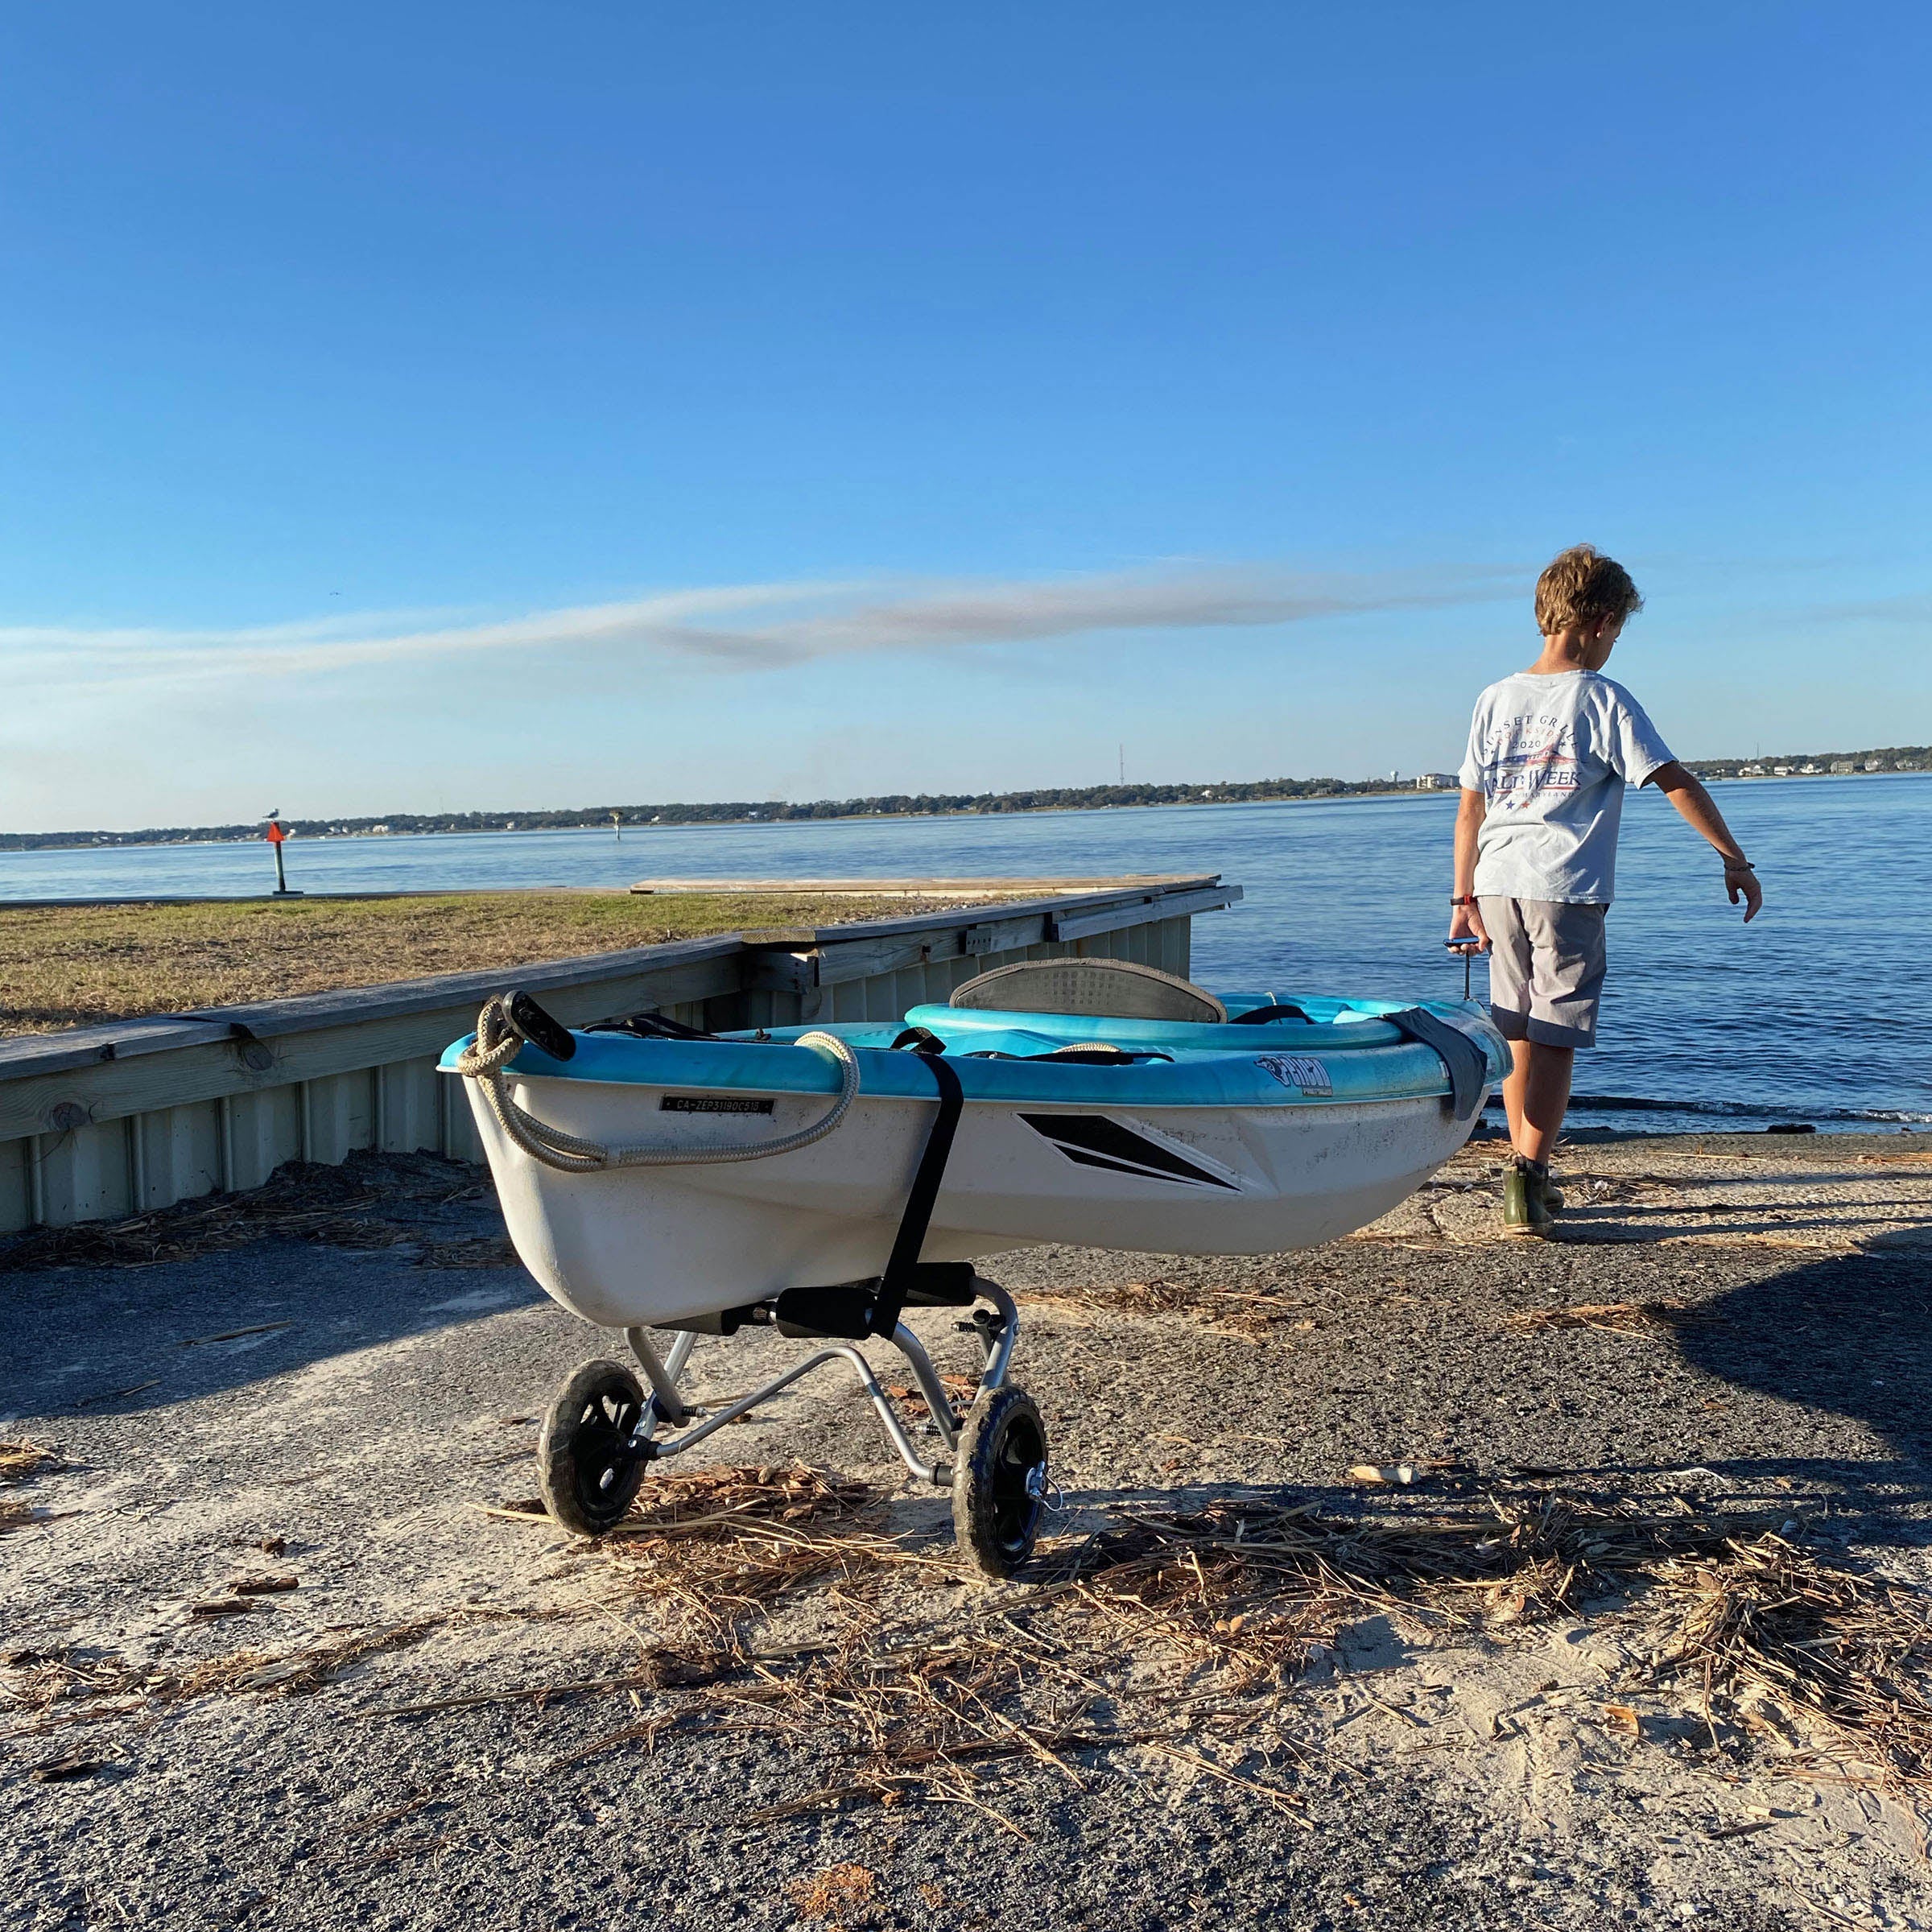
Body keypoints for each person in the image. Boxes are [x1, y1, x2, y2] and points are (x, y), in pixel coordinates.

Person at [1448, 544, 1763, 1236]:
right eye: (1617, 632)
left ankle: (1517, 1168)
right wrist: (1733, 857)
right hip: (1564, 884)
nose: (1615, 644)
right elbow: (1672, 778)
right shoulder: (1601, 697)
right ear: (1600, 621)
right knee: (1555, 1033)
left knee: (1516, 1026)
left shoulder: (1494, 699)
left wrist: (1461, 898)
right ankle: (1529, 1181)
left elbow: (1470, 807)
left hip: (1496, 883)